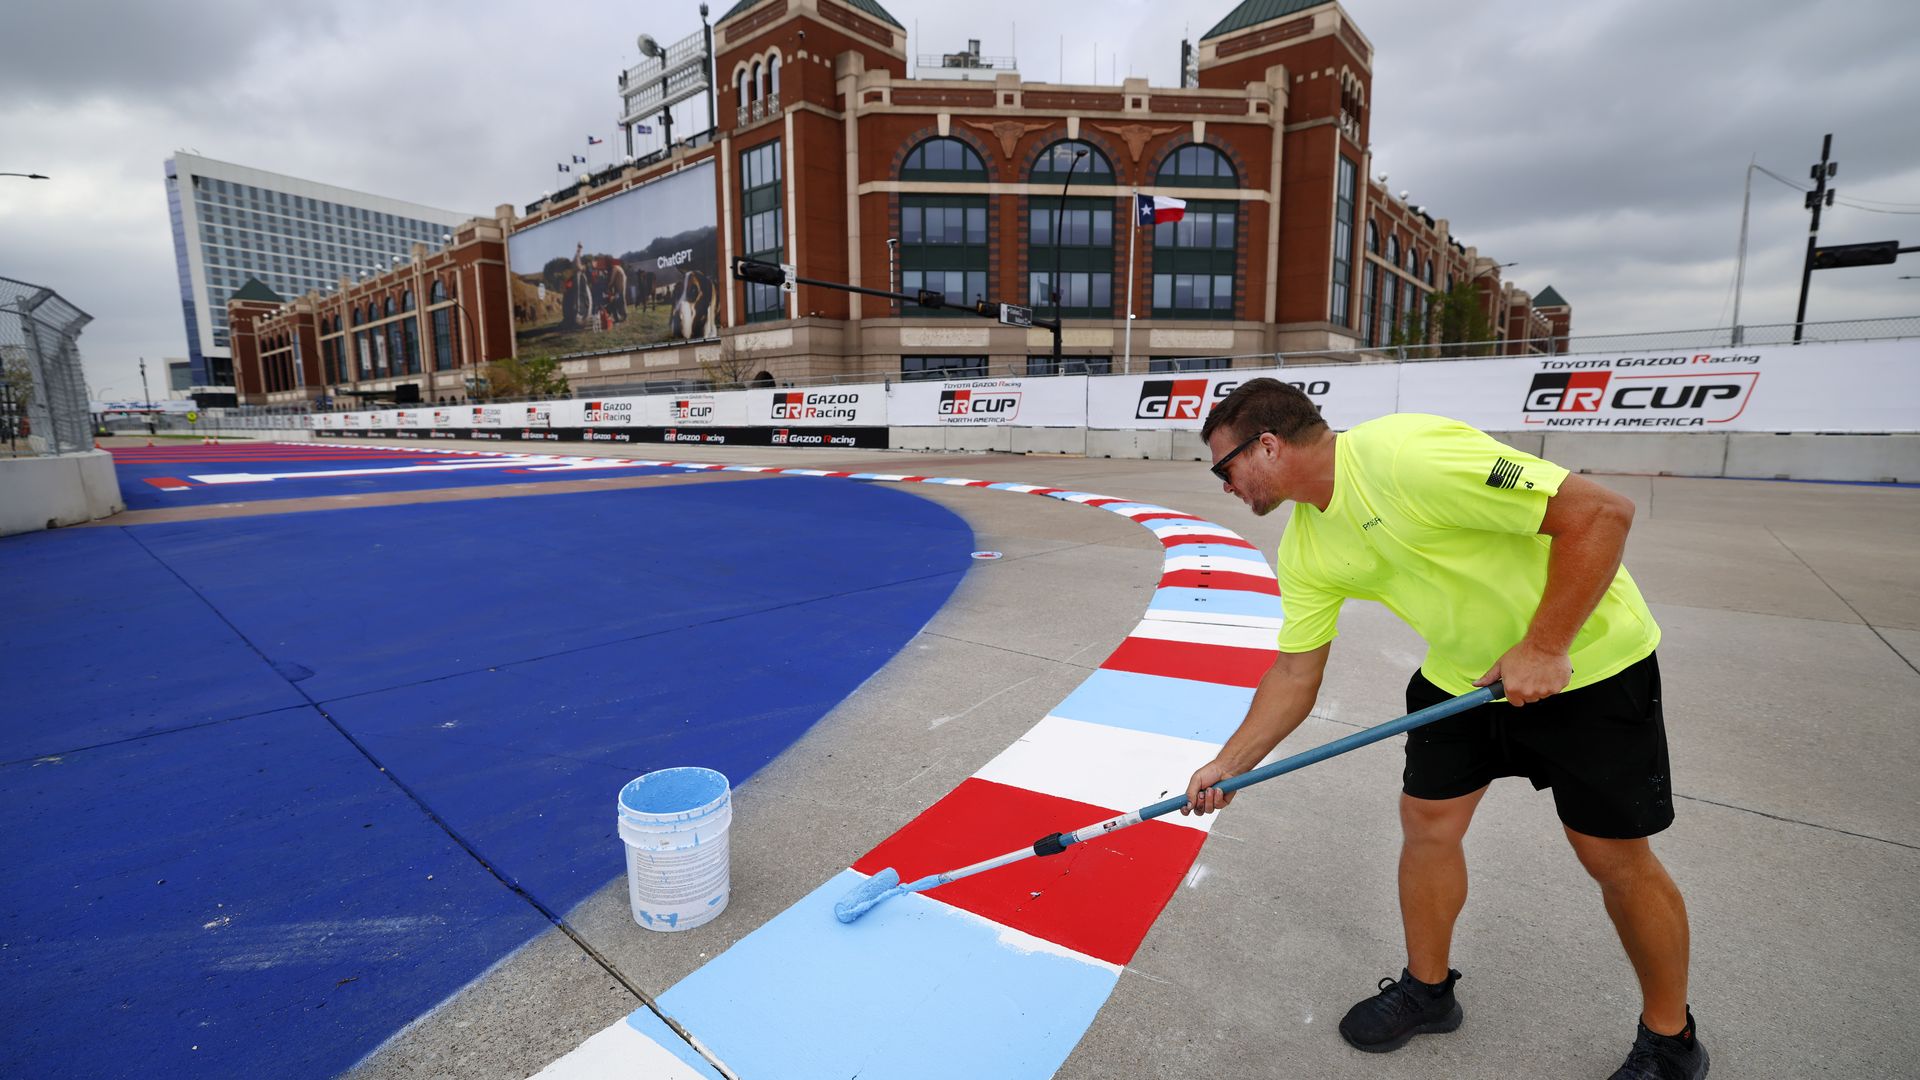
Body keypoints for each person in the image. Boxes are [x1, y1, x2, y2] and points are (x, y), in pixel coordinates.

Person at [1183, 378, 1706, 1080]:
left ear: (1268, 445)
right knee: (1427, 825)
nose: (1224, 485)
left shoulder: (1407, 457)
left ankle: (1671, 1038)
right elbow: (1294, 676)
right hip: (1464, 682)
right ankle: (1428, 992)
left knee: (1613, 860)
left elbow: (1601, 512)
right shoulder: (1308, 545)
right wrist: (1230, 763)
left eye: (1226, 467)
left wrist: (1546, 644)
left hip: (1590, 665)